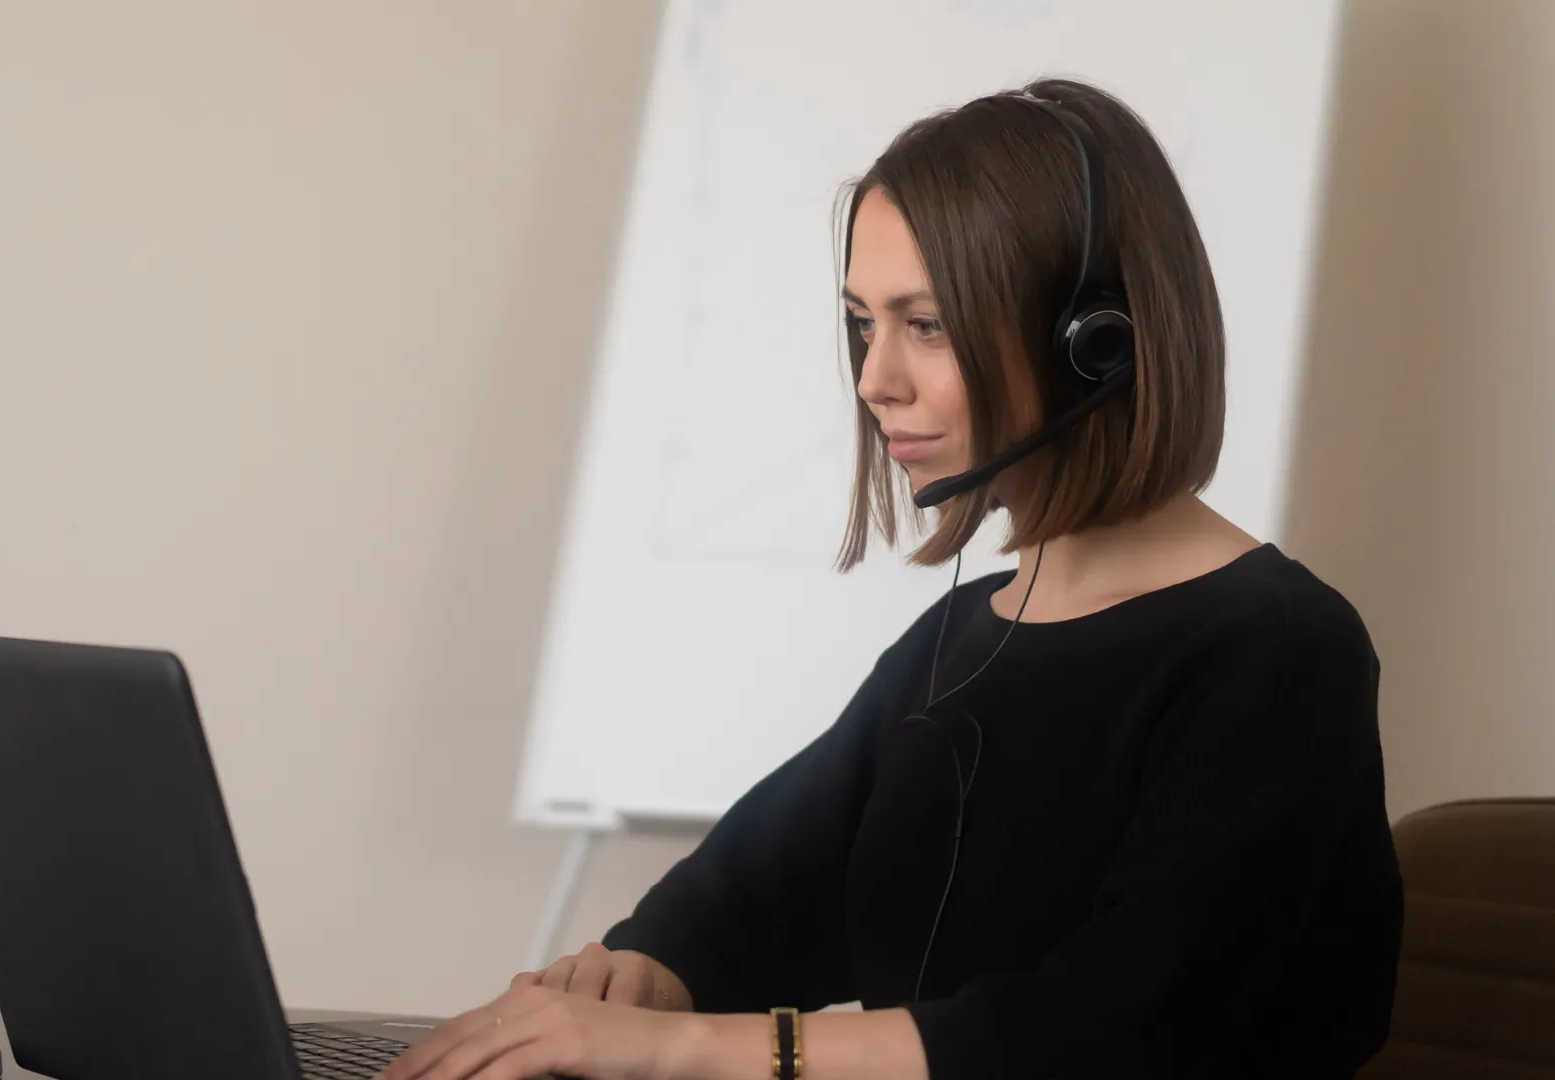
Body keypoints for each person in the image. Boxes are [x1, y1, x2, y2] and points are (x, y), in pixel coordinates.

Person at [378, 77, 1402, 1080]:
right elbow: (757, 896)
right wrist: (630, 987)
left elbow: (1111, 1032)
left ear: (1098, 347)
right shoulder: (961, 640)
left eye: (927, 323)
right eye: (863, 322)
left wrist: (679, 1051)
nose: (874, 378)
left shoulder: (1277, 652)